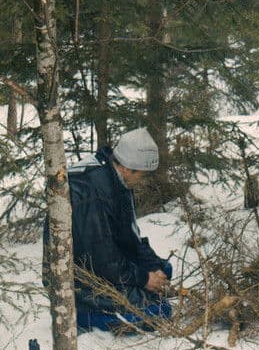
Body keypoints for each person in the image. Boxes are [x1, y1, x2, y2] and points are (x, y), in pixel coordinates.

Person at [52, 127, 174, 333]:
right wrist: (143, 279)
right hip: (80, 283)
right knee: (158, 311)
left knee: (164, 270)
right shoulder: (92, 193)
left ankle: (132, 297)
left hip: (109, 264)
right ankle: (84, 316)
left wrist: (153, 268)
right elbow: (101, 259)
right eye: (142, 176)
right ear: (127, 168)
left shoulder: (115, 180)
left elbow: (129, 237)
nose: (142, 181)